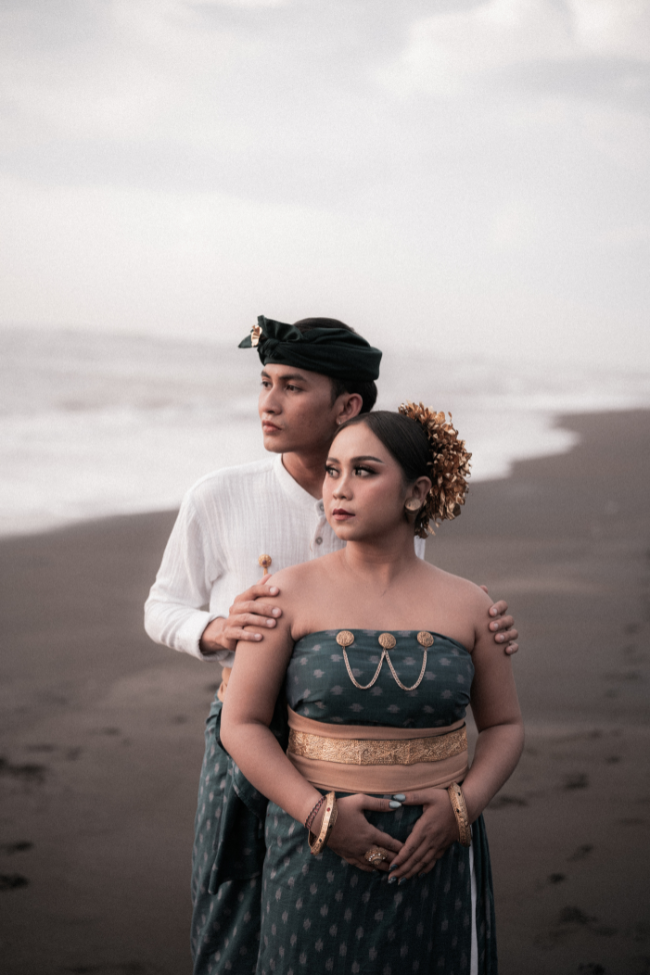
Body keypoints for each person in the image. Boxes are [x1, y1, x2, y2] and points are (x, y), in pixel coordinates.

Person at [144, 317, 520, 974]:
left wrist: (474, 629)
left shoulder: (384, 503)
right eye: (265, 383)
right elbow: (161, 606)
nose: (268, 402)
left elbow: (405, 596)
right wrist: (218, 630)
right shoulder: (221, 495)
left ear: (346, 405)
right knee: (234, 913)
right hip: (248, 728)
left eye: (292, 386)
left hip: (362, 720)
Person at [221, 405, 524, 974]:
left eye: (364, 471)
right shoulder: (283, 595)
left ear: (417, 493)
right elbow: (241, 724)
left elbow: (505, 726)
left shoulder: (471, 605)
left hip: (435, 850)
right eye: (332, 471)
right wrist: (320, 817)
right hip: (313, 846)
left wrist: (461, 810)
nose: (339, 488)